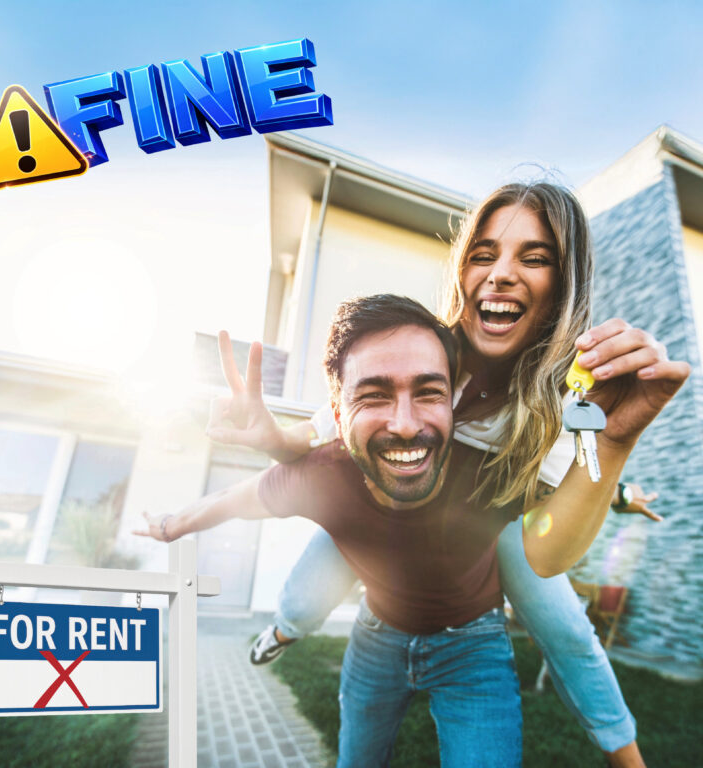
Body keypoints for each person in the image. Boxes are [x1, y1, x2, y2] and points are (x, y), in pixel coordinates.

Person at [204, 183, 683, 767]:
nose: (502, 274)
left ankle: (626, 755)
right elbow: (313, 444)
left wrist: (621, 476)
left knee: (568, 630)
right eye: (484, 254)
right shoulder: (416, 348)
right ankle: (278, 633)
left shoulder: (567, 395)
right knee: (306, 596)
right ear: (462, 270)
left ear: (563, 285)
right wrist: (270, 439)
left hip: (485, 521)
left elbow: (564, 503)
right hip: (388, 509)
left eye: (533, 258)